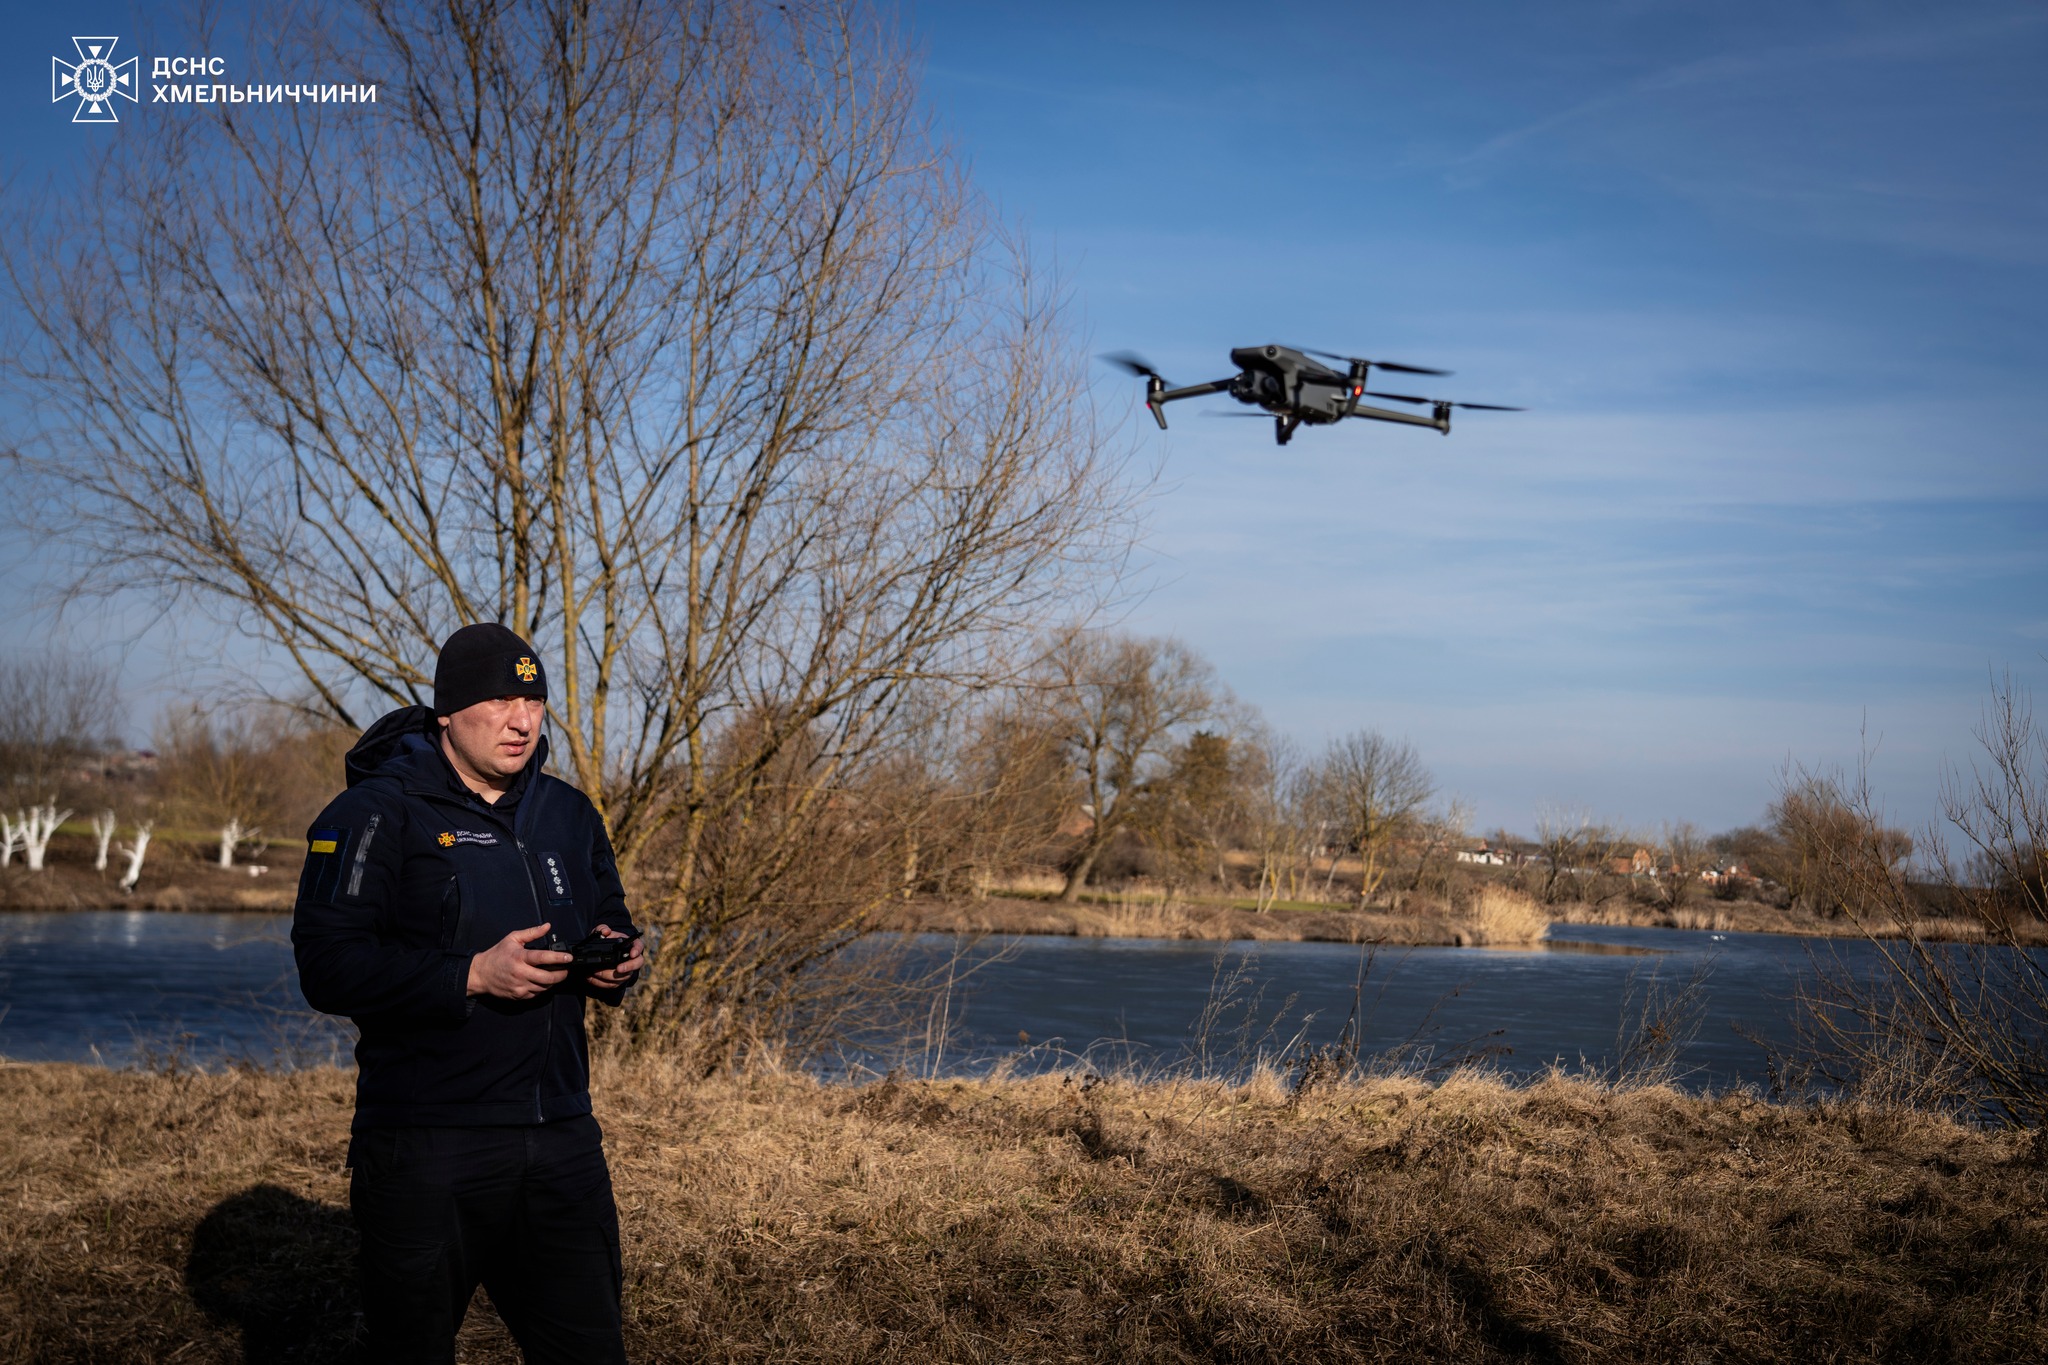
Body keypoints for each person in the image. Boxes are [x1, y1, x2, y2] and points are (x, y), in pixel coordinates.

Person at [293, 623, 643, 1364]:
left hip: (561, 1139)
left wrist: (614, 963)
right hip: (427, 1145)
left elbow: (608, 918)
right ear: (447, 709)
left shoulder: (569, 814)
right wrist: (470, 974)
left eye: (536, 700)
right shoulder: (372, 815)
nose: (523, 719)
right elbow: (327, 967)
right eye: (500, 699)